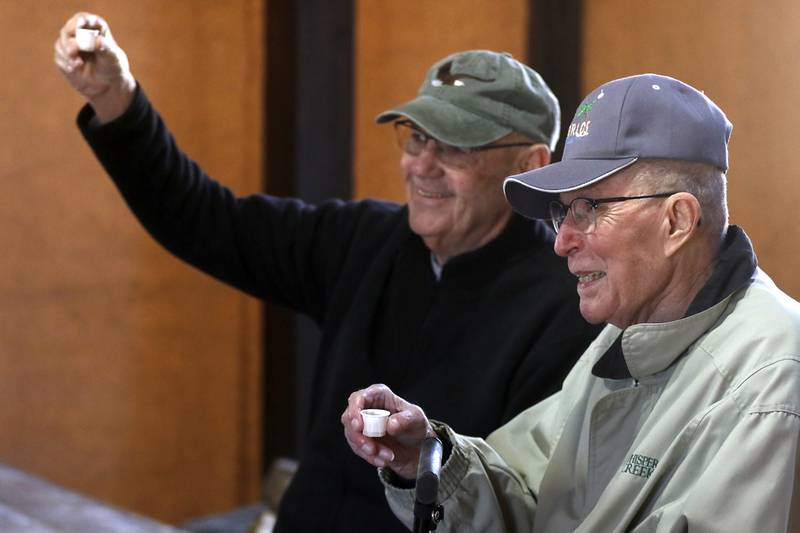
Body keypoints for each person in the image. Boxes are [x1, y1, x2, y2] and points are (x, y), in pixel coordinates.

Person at [54, 12, 602, 533]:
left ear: (530, 165)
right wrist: (114, 98)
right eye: (416, 136)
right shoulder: (363, 240)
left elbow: (525, 505)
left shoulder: (567, 306)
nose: (421, 165)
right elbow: (201, 219)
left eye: (455, 146)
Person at [343, 73, 800, 532]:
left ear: (677, 221)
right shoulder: (622, 339)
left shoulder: (773, 380)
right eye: (564, 210)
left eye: (590, 208)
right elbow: (523, 494)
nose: (561, 241)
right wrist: (426, 456)